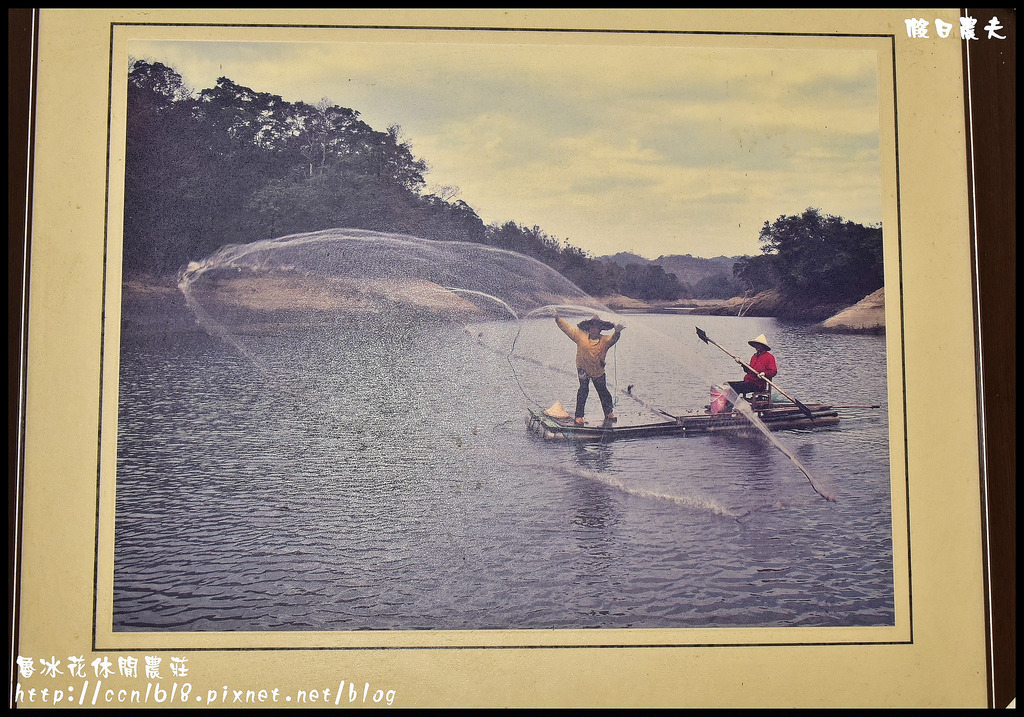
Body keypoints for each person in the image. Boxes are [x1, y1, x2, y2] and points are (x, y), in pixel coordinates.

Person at [555, 313, 624, 425]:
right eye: (592, 327)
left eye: (597, 327)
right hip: (583, 369)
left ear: (601, 329)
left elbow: (613, 339)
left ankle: (608, 412)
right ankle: (579, 416)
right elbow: (567, 328)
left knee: (603, 391)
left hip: (598, 370)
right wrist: (558, 319)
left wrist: (617, 332)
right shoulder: (580, 336)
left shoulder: (605, 341)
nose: (594, 329)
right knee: (583, 390)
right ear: (588, 328)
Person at [727, 333, 777, 403]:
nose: (757, 346)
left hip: (758, 385)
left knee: (736, 388)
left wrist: (764, 374)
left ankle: (728, 407)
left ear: (763, 346)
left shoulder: (769, 357)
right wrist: (742, 364)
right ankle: (722, 406)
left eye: (759, 345)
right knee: (728, 385)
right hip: (748, 381)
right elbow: (749, 371)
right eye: (756, 345)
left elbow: (773, 371)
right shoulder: (754, 356)